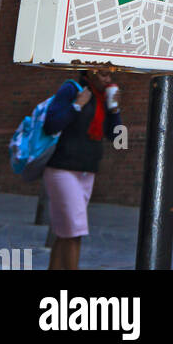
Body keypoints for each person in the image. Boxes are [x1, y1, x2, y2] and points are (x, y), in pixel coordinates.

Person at [42, 66, 122, 270]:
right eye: (103, 74)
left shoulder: (103, 98)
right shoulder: (71, 89)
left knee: (64, 233)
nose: (108, 79)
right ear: (90, 72)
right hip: (62, 169)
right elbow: (51, 124)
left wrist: (115, 110)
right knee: (74, 233)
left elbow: (118, 138)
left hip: (87, 172)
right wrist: (76, 105)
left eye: (110, 74)